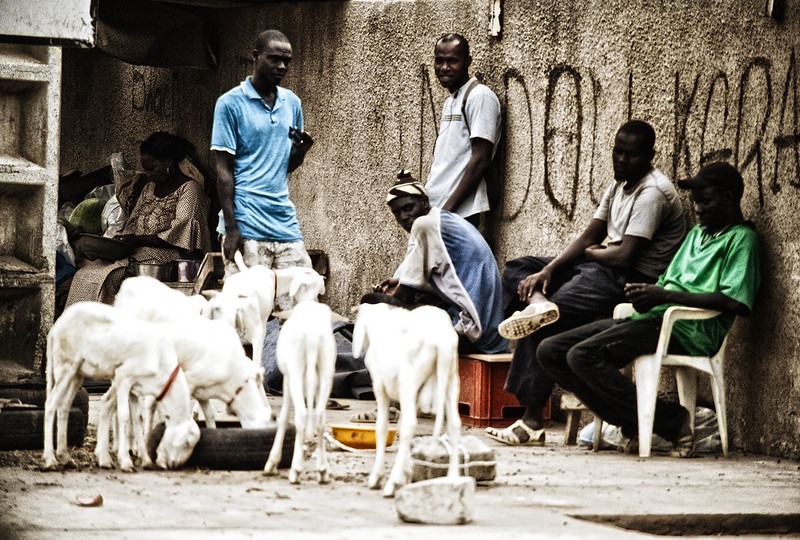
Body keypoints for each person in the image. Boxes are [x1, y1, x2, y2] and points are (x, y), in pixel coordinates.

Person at [536, 162, 761, 457]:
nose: (699, 208)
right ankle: (635, 421)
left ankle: (670, 420)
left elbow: (734, 302)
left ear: (731, 198)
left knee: (582, 355)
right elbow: (668, 282)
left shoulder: (742, 239)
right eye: (696, 202)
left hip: (690, 329)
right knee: (550, 351)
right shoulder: (698, 235)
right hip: (655, 320)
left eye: (706, 201)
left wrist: (663, 296)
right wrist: (645, 296)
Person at [486, 120, 686, 446]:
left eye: (631, 155)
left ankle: (532, 421)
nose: (621, 160)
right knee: (518, 269)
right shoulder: (620, 184)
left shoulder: (652, 193)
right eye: (617, 152)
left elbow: (624, 257)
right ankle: (539, 302)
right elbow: (590, 236)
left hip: (628, 279)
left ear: (651, 155)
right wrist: (548, 271)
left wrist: (592, 256)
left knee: (541, 325)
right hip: (600, 266)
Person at [211, 29, 314, 293]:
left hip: (283, 221)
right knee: (247, 312)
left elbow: (286, 166)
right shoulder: (230, 103)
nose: (282, 66)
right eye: (274, 59)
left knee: (300, 303)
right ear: (255, 57)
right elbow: (223, 170)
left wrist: (300, 151)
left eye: (287, 61)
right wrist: (232, 229)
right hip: (246, 223)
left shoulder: (292, 103)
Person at [368, 171, 508, 355]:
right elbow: (459, 289)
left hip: (471, 330)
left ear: (425, 203)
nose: (403, 217)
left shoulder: (424, 225)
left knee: (376, 306)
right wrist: (401, 284)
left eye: (408, 208)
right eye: (397, 213)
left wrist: (382, 302)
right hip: (491, 333)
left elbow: (403, 298)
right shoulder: (447, 220)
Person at [65, 132, 211, 307]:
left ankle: (105, 326)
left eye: (152, 168)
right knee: (85, 274)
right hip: (134, 253)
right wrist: (119, 243)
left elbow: (183, 232)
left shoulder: (190, 189)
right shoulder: (149, 188)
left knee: (108, 277)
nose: (147, 174)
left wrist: (137, 240)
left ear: (168, 163)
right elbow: (132, 223)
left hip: (168, 258)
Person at [425, 33, 501, 227]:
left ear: (468, 61)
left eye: (453, 61)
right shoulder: (451, 101)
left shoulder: (480, 96)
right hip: (438, 210)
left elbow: (480, 160)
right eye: (439, 61)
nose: (444, 68)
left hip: (458, 213)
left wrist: (446, 211)